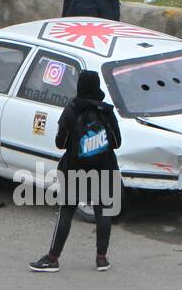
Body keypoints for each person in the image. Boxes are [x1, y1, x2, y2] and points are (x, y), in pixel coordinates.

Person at [30, 70, 122, 273]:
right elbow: (116, 142)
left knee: (66, 211)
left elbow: (60, 143)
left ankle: (52, 258)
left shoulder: (72, 110)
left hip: (74, 170)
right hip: (104, 169)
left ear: (80, 86)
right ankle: (101, 259)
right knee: (103, 211)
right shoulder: (106, 111)